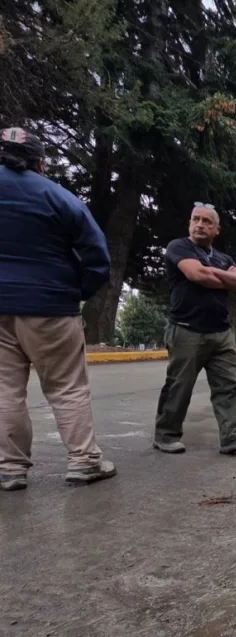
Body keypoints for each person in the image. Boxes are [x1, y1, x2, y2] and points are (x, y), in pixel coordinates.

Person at [0, 126, 117, 491]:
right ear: (39, 163)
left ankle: (10, 468)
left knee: (5, 389)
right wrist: (75, 291)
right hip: (51, 305)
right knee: (67, 387)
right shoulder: (57, 196)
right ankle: (83, 461)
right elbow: (97, 255)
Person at [153, 203, 236, 455]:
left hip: (221, 333)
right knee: (179, 385)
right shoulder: (178, 247)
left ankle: (232, 436)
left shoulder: (225, 258)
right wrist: (224, 277)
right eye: (196, 219)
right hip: (187, 329)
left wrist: (215, 273)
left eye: (207, 222)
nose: (200, 224)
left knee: (228, 386)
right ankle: (166, 435)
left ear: (216, 229)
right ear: (190, 223)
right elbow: (196, 275)